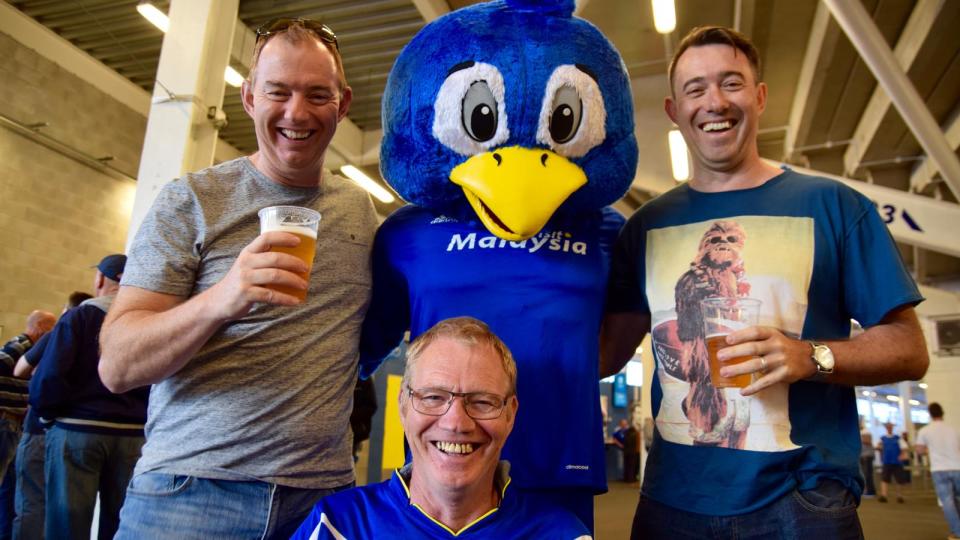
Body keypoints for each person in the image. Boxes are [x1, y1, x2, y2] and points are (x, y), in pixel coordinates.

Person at [602, 25, 928, 538]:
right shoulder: (645, 226)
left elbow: (909, 348)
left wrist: (810, 356)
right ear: (674, 110)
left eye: (731, 83)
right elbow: (606, 354)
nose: (714, 101)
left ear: (759, 97)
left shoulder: (835, 207)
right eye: (695, 89)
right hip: (673, 502)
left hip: (801, 501)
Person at [98, 17, 378, 540]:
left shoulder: (359, 210)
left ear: (342, 105)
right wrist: (222, 298)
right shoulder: (192, 201)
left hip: (323, 500)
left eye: (317, 94)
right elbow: (117, 366)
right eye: (279, 91)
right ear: (249, 98)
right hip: (191, 494)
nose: (297, 112)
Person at [292, 317, 591, 539]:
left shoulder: (561, 534)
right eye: (433, 397)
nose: (456, 422)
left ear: (510, 414)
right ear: (403, 405)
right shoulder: (338, 527)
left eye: (482, 402)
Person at [27, 254, 148, 540]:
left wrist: (47, 415)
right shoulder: (145, 320)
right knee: (120, 524)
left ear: (100, 279)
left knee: (66, 523)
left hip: (77, 429)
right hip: (132, 435)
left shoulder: (80, 316)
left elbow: (50, 375)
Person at [10, 290, 92, 540]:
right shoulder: (107, 336)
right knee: (67, 507)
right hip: (80, 433)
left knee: (32, 500)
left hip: (43, 427)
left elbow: (21, 370)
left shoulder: (61, 333)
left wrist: (45, 414)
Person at [0, 310, 56, 537]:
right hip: (6, 420)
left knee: (9, 484)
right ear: (40, 327)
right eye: (51, 327)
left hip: (14, 423)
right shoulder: (22, 344)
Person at [916, 403, 960, 539]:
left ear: (930, 414)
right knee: (957, 499)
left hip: (939, 469)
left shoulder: (925, 431)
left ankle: (957, 532)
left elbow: (920, 450)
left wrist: (930, 450)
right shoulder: (954, 429)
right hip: (957, 467)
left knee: (947, 502)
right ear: (942, 412)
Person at [877, 422, 908, 503]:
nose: (889, 428)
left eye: (890, 427)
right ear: (886, 428)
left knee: (899, 479)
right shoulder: (882, 438)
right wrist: (880, 449)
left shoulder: (898, 438)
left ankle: (899, 496)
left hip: (897, 461)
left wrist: (902, 455)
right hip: (886, 461)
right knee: (884, 478)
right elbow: (878, 447)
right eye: (888, 427)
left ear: (892, 428)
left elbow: (904, 447)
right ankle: (884, 495)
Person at [613, 419, 640, 483]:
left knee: (629, 465)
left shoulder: (630, 431)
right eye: (623, 424)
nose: (624, 425)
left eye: (625, 424)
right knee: (626, 465)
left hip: (629, 450)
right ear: (620, 424)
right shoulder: (618, 432)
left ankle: (629, 478)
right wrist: (620, 445)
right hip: (625, 450)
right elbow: (614, 438)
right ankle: (626, 478)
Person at [859, 417, 876, 497]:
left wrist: (858, 439)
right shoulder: (861, 432)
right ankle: (867, 490)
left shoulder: (865, 431)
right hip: (863, 456)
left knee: (867, 474)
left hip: (867, 456)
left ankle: (870, 491)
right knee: (864, 474)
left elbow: (868, 441)